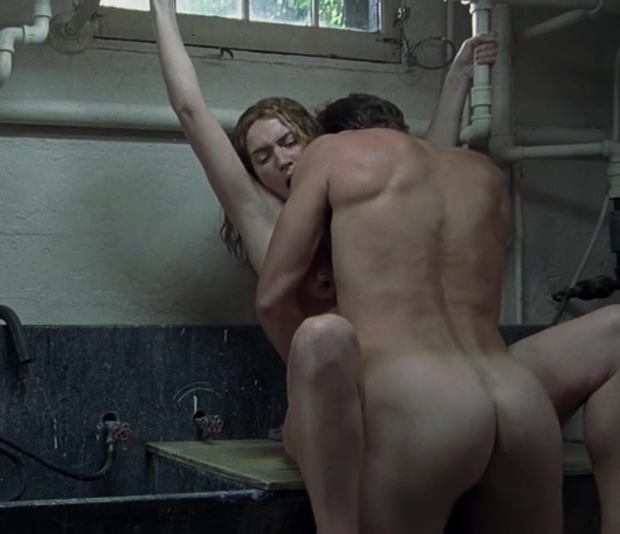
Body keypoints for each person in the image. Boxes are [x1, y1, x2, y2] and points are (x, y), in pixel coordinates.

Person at [149, 0, 620, 531]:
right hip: (342, 395)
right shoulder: (264, 218)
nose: (282, 159)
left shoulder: (363, 193)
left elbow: (428, 161)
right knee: (325, 337)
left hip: (443, 389)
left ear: (316, 139)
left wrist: (458, 79)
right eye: (262, 158)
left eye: (288, 141)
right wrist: (163, 11)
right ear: (253, 176)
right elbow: (191, 111)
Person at [258, 93, 563, 533]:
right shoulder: (485, 174)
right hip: (519, 399)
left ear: (334, 133)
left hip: (420, 403)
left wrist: (320, 394)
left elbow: (272, 298)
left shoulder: (330, 153)